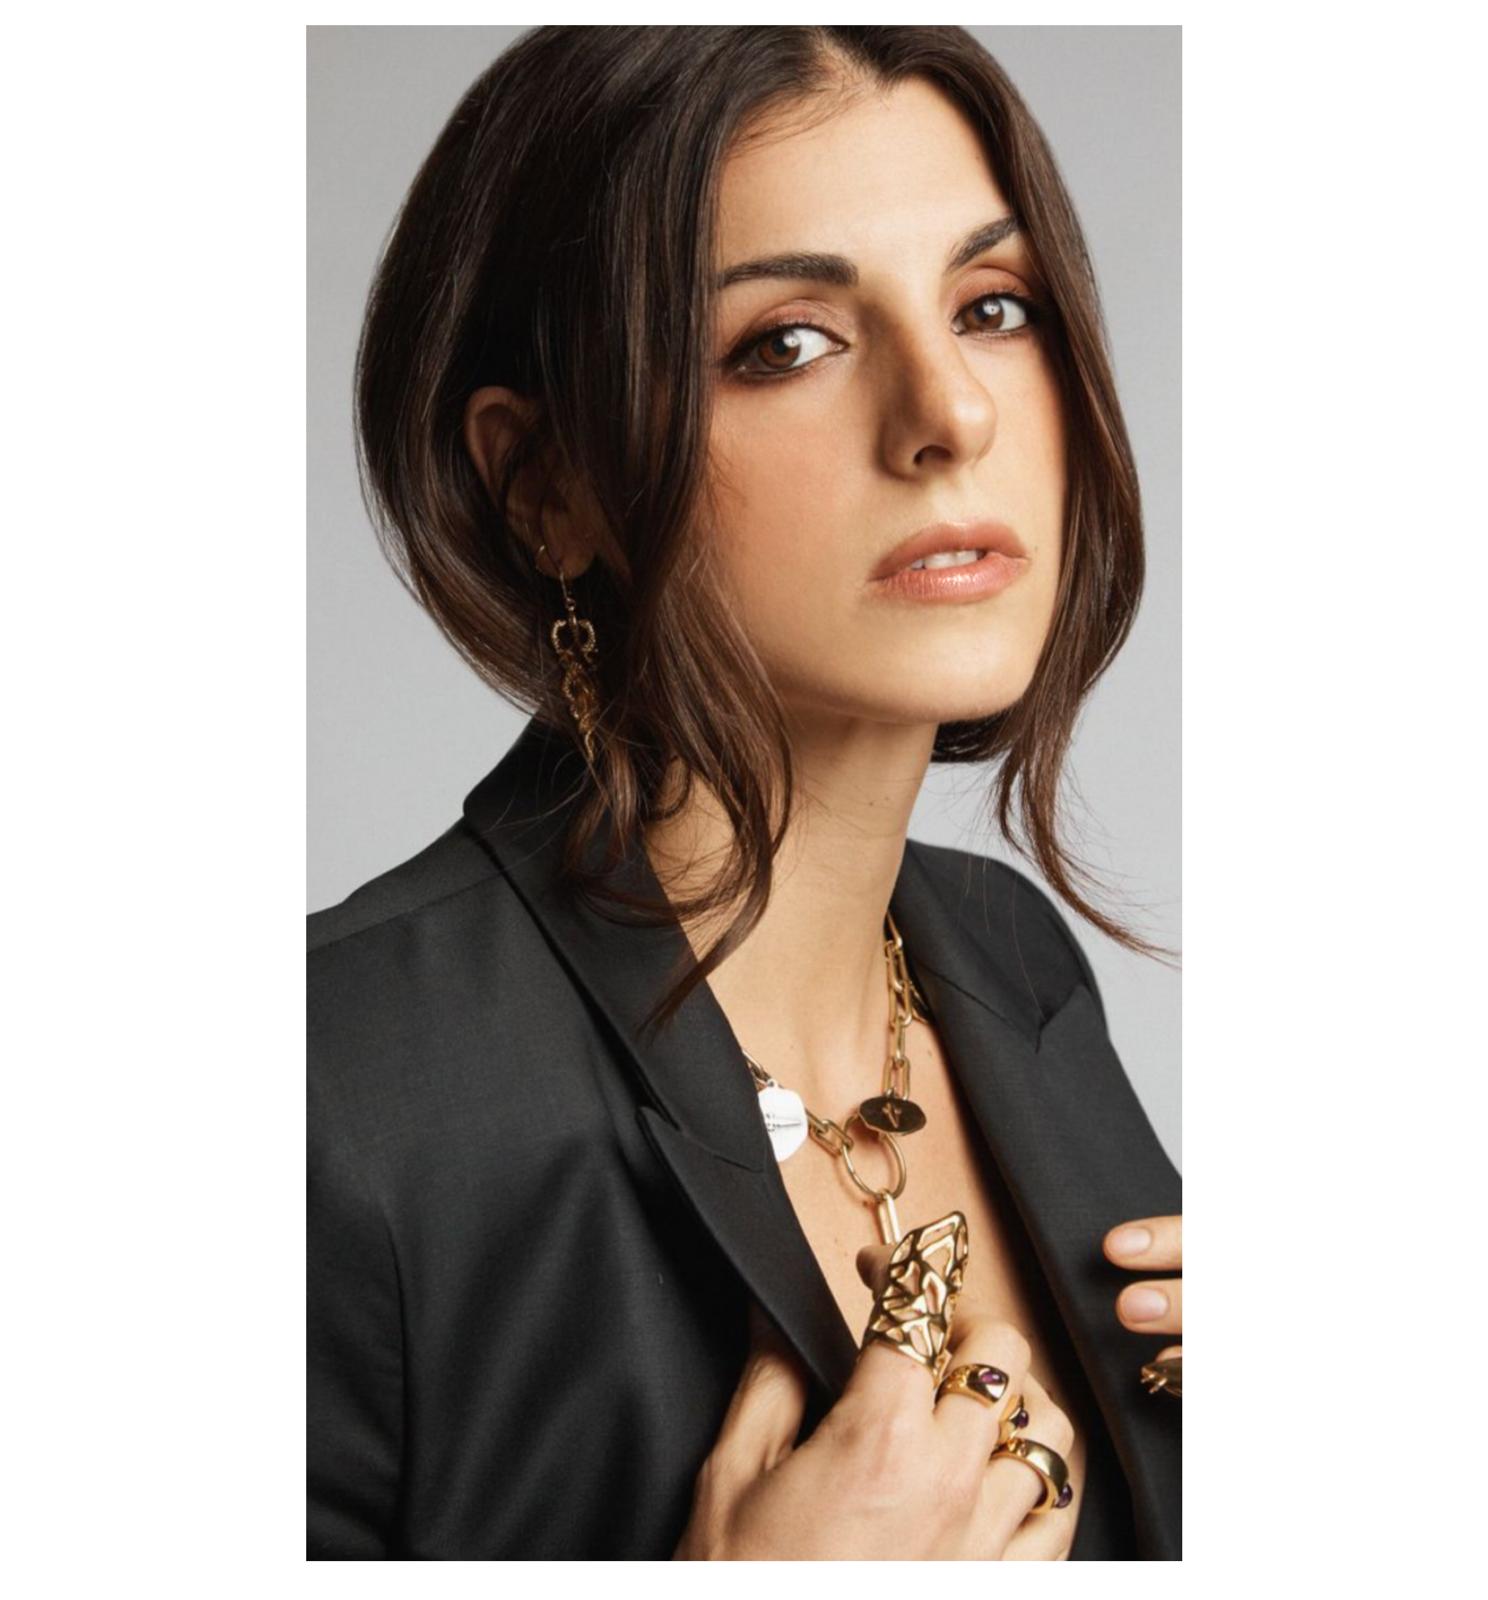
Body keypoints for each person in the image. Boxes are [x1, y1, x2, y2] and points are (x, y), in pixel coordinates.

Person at [309, 25, 1180, 1560]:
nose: (953, 416)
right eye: (787, 342)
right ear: (545, 484)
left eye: (993, 307)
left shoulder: (1015, 965)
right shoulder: (327, 1097)